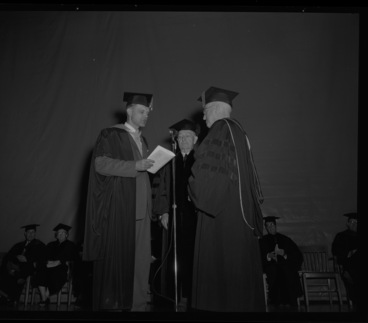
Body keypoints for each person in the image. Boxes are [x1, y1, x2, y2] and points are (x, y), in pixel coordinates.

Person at [187, 86, 265, 312]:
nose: (203, 116)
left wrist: (192, 187)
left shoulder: (220, 129)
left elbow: (207, 175)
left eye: (205, 111)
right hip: (242, 215)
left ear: (216, 109)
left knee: (221, 277)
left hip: (222, 216)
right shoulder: (240, 131)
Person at [82, 92, 155, 312]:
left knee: (141, 263)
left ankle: (139, 306)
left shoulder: (143, 140)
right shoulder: (111, 134)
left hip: (143, 210)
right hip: (123, 208)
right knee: (122, 263)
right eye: (142, 112)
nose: (145, 117)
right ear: (129, 110)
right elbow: (101, 164)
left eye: (148, 113)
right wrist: (135, 166)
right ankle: (118, 307)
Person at [151, 119, 199, 311]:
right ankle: (170, 300)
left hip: (196, 219)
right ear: (176, 140)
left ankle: (195, 300)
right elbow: (160, 188)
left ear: (195, 139)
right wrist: (162, 211)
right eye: (181, 137)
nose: (184, 140)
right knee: (172, 258)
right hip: (173, 218)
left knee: (194, 258)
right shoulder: (169, 161)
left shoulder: (202, 160)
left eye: (188, 137)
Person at [259, 216, 303, 308]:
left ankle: (291, 301)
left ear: (275, 225)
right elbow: (259, 256)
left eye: (271, 225)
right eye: (267, 226)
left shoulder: (285, 239)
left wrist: (284, 254)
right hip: (271, 266)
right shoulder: (262, 241)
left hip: (285, 265)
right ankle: (277, 301)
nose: (270, 227)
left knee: (288, 269)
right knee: (275, 270)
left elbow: (297, 255)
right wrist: (268, 256)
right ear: (266, 228)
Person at [0, 224, 46, 306]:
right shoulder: (19, 245)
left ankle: (8, 297)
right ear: (25, 233)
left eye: (33, 232)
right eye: (28, 232)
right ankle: (8, 297)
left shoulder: (39, 245)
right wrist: (16, 258)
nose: (30, 234)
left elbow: (42, 259)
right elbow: (8, 256)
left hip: (29, 268)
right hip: (16, 267)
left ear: (35, 233)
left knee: (21, 270)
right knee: (8, 268)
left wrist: (27, 259)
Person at [35, 223, 79, 306]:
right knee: (41, 271)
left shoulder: (70, 245)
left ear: (67, 235)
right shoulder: (51, 244)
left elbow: (69, 258)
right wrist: (47, 263)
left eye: (63, 233)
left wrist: (56, 262)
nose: (61, 235)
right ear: (56, 235)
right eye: (59, 233)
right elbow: (45, 256)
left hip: (61, 268)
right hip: (48, 266)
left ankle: (44, 298)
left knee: (55, 275)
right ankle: (44, 299)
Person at [331, 212, 358, 308]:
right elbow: (336, 252)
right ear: (347, 224)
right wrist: (350, 253)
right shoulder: (341, 236)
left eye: (357, 222)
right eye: (352, 222)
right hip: (348, 265)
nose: (354, 224)